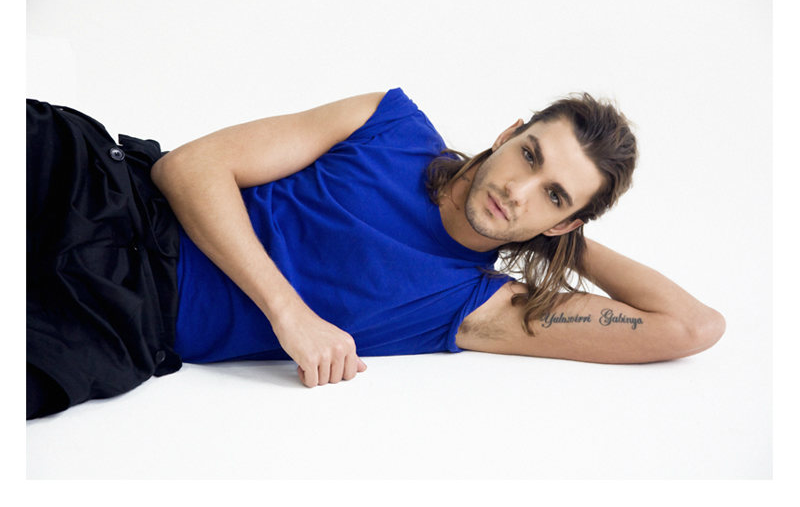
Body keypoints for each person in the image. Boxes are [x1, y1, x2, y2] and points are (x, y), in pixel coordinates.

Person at [26, 88, 725, 420]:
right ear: (508, 132)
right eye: (531, 155)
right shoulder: (390, 123)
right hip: (104, 190)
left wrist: (563, 239)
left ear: (565, 222)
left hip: (113, 320)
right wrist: (290, 314)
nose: (517, 190)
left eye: (553, 196)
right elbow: (188, 168)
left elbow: (692, 327)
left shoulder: (473, 305)